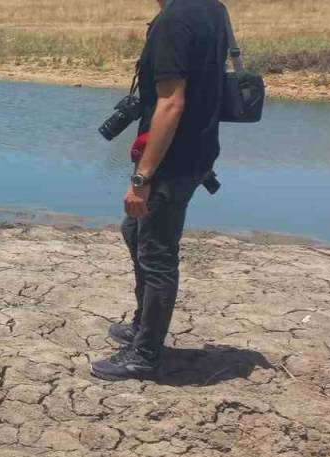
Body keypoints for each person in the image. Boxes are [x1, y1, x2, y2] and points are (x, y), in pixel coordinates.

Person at [91, 0, 229, 381]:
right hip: (196, 150)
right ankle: (142, 327)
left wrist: (142, 178)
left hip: (171, 159)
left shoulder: (175, 20)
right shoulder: (211, 8)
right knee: (134, 230)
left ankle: (146, 354)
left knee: (157, 254)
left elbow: (171, 103)